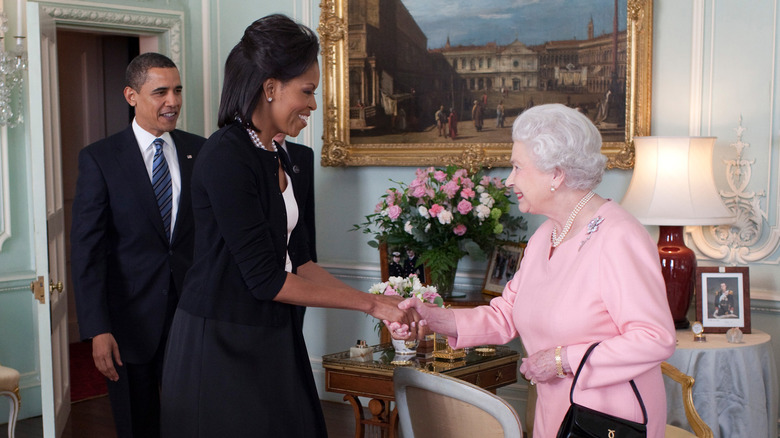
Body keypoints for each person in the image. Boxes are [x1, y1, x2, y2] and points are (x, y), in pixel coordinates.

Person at [160, 15, 417, 437]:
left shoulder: (287, 157)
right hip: (222, 342)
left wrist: (379, 299)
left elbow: (301, 263)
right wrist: (372, 307)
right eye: (308, 91)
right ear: (270, 87)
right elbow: (265, 279)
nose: (314, 104)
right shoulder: (225, 156)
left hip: (274, 333)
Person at [395, 103, 676, 437]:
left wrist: (562, 360)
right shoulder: (546, 235)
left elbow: (655, 338)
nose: (509, 179)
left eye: (517, 167)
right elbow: (506, 314)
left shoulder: (619, 236)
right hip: (554, 412)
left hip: (609, 420)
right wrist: (432, 317)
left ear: (556, 174)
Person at [70, 52, 206, 438]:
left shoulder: (201, 150)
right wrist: (97, 328)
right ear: (132, 95)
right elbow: (87, 251)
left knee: (196, 420)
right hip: (128, 326)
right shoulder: (100, 159)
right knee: (137, 425)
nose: (173, 101)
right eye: (160, 91)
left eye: (177, 90)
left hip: (193, 316)